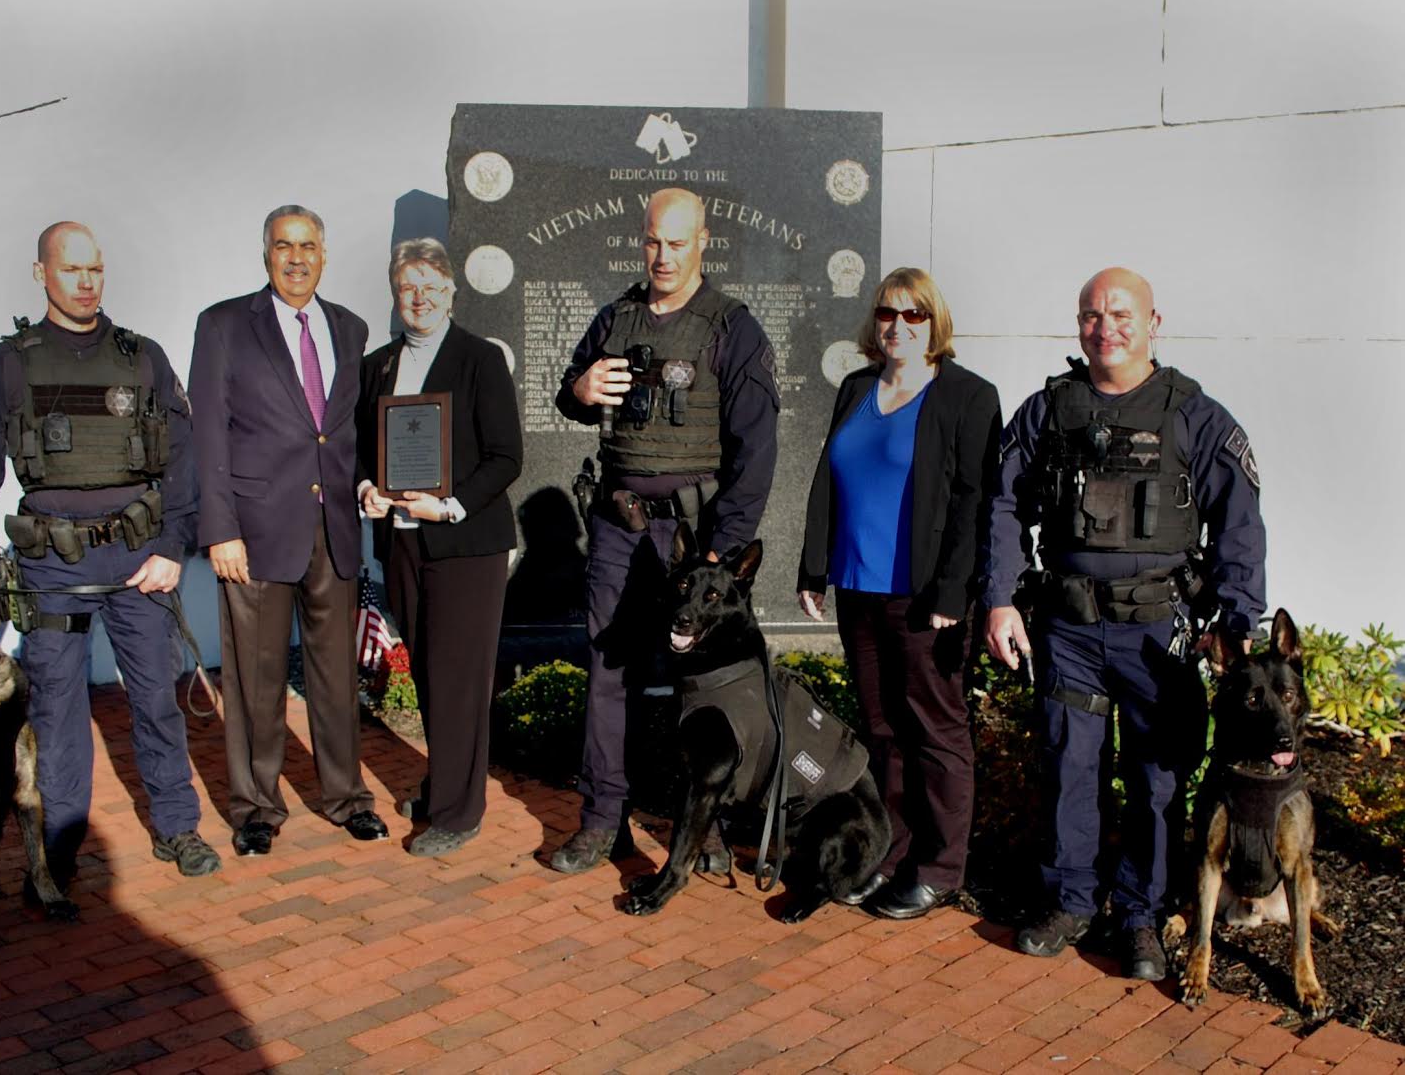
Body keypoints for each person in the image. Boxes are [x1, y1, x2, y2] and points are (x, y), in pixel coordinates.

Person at [984, 266, 1266, 981]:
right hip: (1068, 629)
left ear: (1153, 322)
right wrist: (1000, 597)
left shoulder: (1194, 415)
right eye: (1089, 314)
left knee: (1158, 782)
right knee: (1068, 769)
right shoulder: (1049, 409)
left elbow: (1239, 522)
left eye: (1119, 313)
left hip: (1157, 635)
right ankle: (1069, 900)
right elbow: (1004, 506)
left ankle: (1140, 917)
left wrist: (1237, 618)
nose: (1103, 327)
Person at [0, 221, 220, 882]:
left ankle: (177, 827)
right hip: (50, 566)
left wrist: (175, 545)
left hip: (138, 558)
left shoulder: (142, 357)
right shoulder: (10, 363)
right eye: (70, 270)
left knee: (154, 698)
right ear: (42, 275)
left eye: (95, 270)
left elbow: (182, 459)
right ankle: (58, 840)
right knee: (56, 704)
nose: (86, 283)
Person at [550, 188, 780, 874]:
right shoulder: (616, 315)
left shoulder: (732, 328)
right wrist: (579, 391)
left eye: (678, 243)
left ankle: (701, 826)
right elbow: (573, 392)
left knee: (698, 684)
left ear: (703, 242)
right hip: (620, 527)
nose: (663, 255)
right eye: (654, 241)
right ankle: (600, 819)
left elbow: (756, 450)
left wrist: (720, 549)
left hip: (693, 535)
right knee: (608, 670)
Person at [797, 267, 1000, 920]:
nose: (899, 327)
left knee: (936, 732)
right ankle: (891, 853)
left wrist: (953, 589)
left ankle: (941, 868)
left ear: (934, 323)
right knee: (883, 732)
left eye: (914, 316)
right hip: (858, 588)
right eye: (888, 313)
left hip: (923, 598)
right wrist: (814, 568)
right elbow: (830, 479)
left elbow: (975, 502)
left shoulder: (967, 396)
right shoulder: (857, 387)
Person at [188, 204, 388, 857]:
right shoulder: (223, 326)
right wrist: (220, 529)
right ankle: (255, 808)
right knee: (256, 679)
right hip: (254, 531)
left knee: (335, 675)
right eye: (283, 245)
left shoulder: (350, 329)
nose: (296, 257)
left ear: (323, 254)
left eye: (308, 246)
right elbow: (208, 434)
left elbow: (345, 432)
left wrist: (364, 483)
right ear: (265, 253)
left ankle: (346, 797)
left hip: (334, 529)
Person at [356, 238, 523, 858]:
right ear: (395, 294)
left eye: (430, 285)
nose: (418, 297)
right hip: (401, 542)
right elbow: (362, 450)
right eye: (407, 287)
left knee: (458, 678)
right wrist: (369, 488)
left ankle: (458, 811)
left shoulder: (480, 359)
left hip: (465, 544)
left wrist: (449, 505)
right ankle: (444, 782)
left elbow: (507, 456)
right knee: (426, 670)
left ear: (452, 290)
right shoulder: (378, 365)